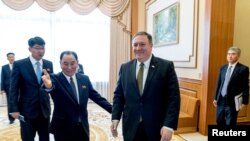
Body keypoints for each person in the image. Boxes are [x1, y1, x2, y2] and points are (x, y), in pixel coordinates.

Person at [111, 31, 181, 141]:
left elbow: (173, 99)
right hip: (130, 125)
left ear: (151, 46)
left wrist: (169, 125)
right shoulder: (125, 68)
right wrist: (115, 117)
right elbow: (119, 95)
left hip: (155, 127)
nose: (138, 48)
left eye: (142, 44)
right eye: (135, 45)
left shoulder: (166, 67)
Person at [41, 51, 112, 141]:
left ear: (77, 62)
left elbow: (96, 97)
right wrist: (49, 86)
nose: (69, 67)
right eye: (65, 64)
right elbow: (50, 87)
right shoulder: (54, 78)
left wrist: (113, 110)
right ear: (60, 63)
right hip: (63, 127)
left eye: (72, 63)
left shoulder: (84, 79)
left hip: (82, 126)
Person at [9, 36, 54, 141]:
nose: (41, 51)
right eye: (37, 48)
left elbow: (51, 86)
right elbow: (13, 89)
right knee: (27, 137)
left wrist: (50, 87)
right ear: (30, 49)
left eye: (43, 48)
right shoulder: (19, 64)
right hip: (26, 110)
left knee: (45, 137)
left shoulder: (48, 64)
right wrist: (14, 109)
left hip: (44, 110)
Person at [213, 46, 249, 126]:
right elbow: (219, 84)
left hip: (233, 102)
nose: (230, 56)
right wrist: (215, 98)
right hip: (221, 100)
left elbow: (245, 86)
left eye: (233, 54)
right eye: (228, 54)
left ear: (238, 56)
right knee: (219, 120)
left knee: (230, 123)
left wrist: (244, 102)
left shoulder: (243, 69)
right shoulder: (223, 67)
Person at [1, 52, 15, 124]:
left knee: (21, 102)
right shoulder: (4, 67)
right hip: (8, 88)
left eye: (12, 57)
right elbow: (2, 78)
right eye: (10, 57)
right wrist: (2, 89)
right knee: (10, 103)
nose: (11, 58)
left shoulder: (18, 65)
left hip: (18, 88)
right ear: (7, 58)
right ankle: (11, 119)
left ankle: (21, 117)